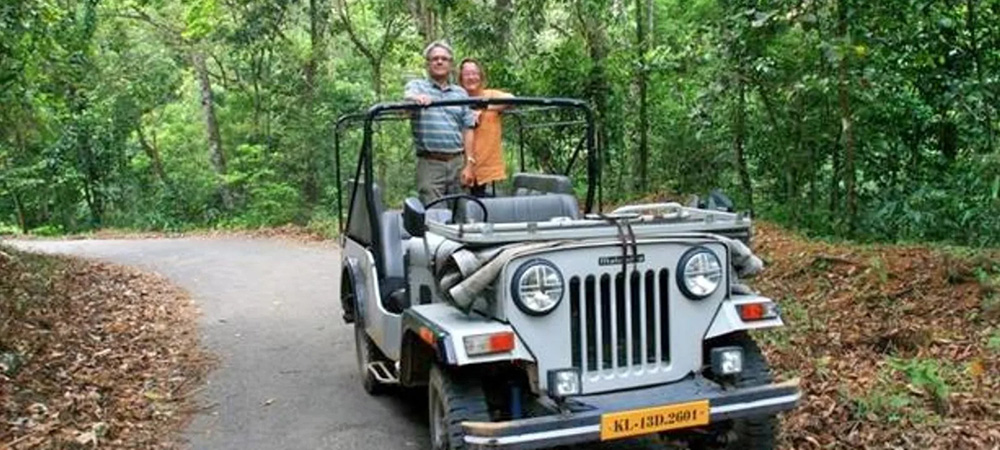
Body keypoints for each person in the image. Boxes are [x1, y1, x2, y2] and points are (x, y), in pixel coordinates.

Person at [403, 41, 477, 206]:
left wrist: (469, 164)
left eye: (444, 58)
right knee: (434, 213)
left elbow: (468, 128)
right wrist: (416, 99)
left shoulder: (460, 93)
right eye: (435, 58)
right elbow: (407, 99)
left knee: (463, 211)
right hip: (430, 163)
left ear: (451, 64)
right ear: (428, 63)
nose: (439, 61)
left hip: (457, 161)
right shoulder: (417, 86)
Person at [457, 58, 513, 197]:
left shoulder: (490, 95)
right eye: (467, 74)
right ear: (461, 78)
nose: (471, 77)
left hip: (485, 164)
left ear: (481, 76)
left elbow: (511, 99)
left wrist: (484, 108)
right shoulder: (455, 96)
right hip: (459, 163)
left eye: (474, 73)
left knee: (481, 202)